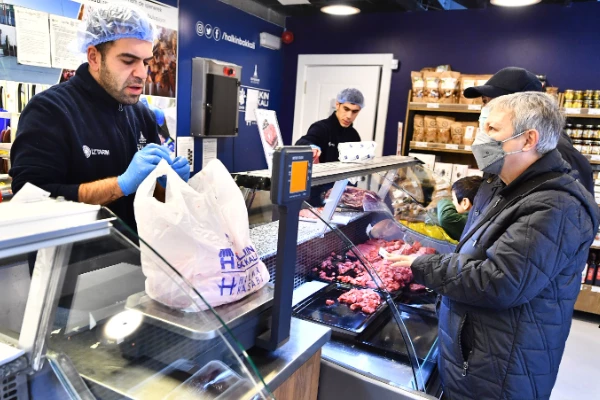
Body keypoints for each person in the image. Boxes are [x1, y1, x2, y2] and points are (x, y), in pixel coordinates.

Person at [386, 92, 599, 400]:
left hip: (502, 369)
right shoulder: (498, 184)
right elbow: (474, 248)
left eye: (491, 129)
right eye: (479, 125)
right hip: (475, 354)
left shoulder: (556, 206)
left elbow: (499, 281)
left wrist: (423, 265)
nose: (479, 137)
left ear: (528, 139)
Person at [9, 3, 190, 232]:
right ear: (94, 57)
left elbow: (151, 201)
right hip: (72, 264)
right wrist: (120, 185)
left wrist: (167, 187)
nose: (142, 73)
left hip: (136, 258)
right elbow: (30, 203)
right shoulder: (50, 111)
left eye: (145, 62)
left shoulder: (142, 115)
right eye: (128, 61)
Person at [462, 67, 594, 237]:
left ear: (527, 104)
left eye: (496, 101)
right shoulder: (502, 146)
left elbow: (567, 226)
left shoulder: (559, 152)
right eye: (485, 101)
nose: (488, 109)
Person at [296, 88, 364, 163]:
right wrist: (310, 147)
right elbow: (303, 142)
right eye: (346, 109)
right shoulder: (321, 128)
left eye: (355, 111)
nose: (349, 116)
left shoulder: (354, 135)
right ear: (337, 105)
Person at [437, 176, 483, 241]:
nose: (452, 203)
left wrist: (442, 198)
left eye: (453, 199)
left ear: (465, 203)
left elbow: (445, 217)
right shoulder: (482, 214)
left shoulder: (472, 221)